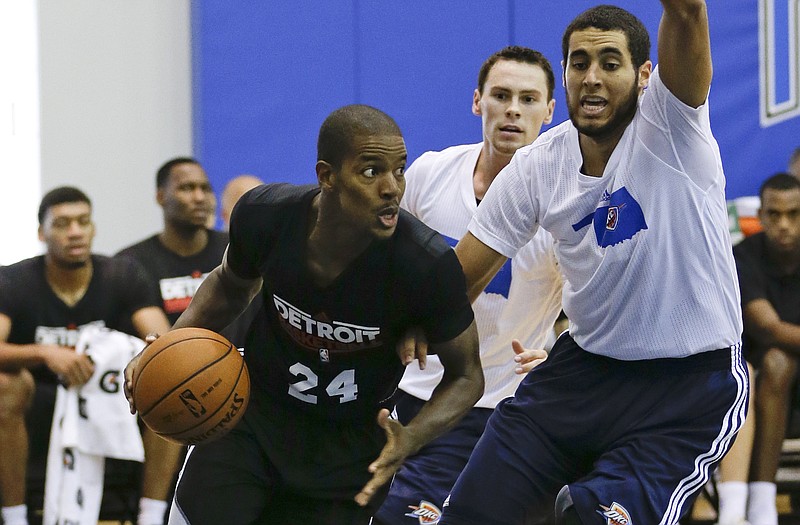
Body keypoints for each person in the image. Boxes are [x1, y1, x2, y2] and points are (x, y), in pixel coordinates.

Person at [439, 2, 748, 524]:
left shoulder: (673, 124)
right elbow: (452, 286)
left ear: (646, 76)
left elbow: (689, 13)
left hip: (686, 389)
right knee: (472, 512)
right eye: (579, 63)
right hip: (579, 374)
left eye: (610, 62)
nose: (592, 78)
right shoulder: (539, 165)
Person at [124, 104, 485, 525]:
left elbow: (467, 376)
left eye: (399, 170)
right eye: (371, 171)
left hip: (348, 450)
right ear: (327, 175)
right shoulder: (267, 215)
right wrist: (166, 348)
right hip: (252, 418)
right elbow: (228, 286)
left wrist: (411, 438)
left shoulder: (425, 263)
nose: (392, 188)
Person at [373, 45, 563, 525]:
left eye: (527, 98)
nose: (513, 110)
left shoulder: (565, 206)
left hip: (495, 407)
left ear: (549, 110)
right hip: (404, 390)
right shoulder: (430, 173)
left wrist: (562, 354)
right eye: (501, 95)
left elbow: (599, 306)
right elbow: (386, 271)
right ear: (478, 101)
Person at [0, 186, 181, 525]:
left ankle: (153, 514)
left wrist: (144, 361)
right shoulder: (14, 280)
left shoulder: (122, 274)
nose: (75, 232)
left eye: (83, 221)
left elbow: (162, 341)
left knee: (166, 379)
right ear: (42, 233)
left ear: (93, 228)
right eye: (63, 224)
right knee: (5, 384)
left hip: (108, 389)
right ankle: (13, 516)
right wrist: (45, 353)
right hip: (38, 392)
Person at [730, 172, 800, 525]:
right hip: (760, 391)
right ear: (760, 215)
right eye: (774, 214)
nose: (784, 224)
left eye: (794, 214)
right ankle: (761, 502)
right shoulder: (744, 256)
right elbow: (768, 328)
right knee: (777, 362)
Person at [116, 157, 246, 346]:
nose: (200, 198)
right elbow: (162, 344)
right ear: (161, 196)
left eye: (205, 189)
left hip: (236, 358)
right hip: (170, 365)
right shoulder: (131, 263)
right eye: (187, 188)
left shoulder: (236, 248)